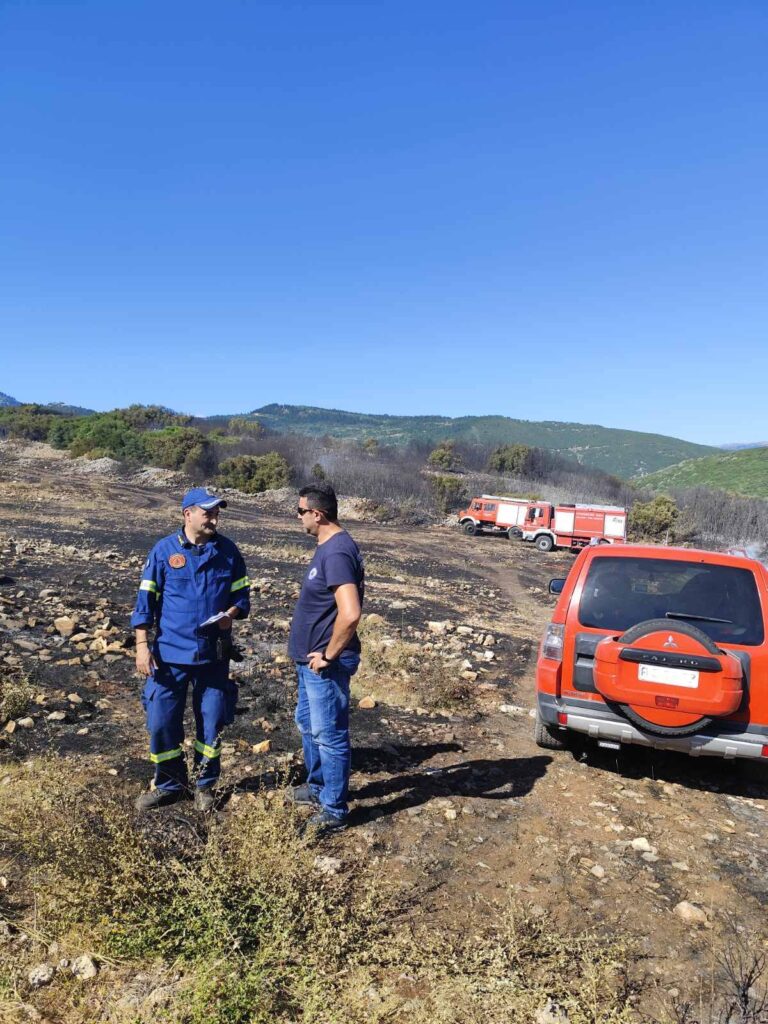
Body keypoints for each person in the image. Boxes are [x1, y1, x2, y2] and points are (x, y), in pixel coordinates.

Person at [131, 487, 250, 812]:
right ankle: (169, 785)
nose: (214, 519)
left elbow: (241, 598)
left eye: (217, 514)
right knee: (161, 721)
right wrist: (142, 646)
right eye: (208, 513)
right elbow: (145, 603)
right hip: (168, 656)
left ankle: (204, 785)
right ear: (188, 514)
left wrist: (230, 615)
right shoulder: (163, 551)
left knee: (211, 722)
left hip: (213, 655)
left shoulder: (228, 552)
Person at [288, 483, 364, 834]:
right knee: (307, 723)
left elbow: (350, 613)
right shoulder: (328, 547)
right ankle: (318, 786)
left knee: (329, 734)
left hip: (325, 664)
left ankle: (334, 809)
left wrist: (330, 656)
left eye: (301, 511)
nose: (298, 517)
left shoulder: (336, 553)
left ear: (317, 514)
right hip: (311, 661)